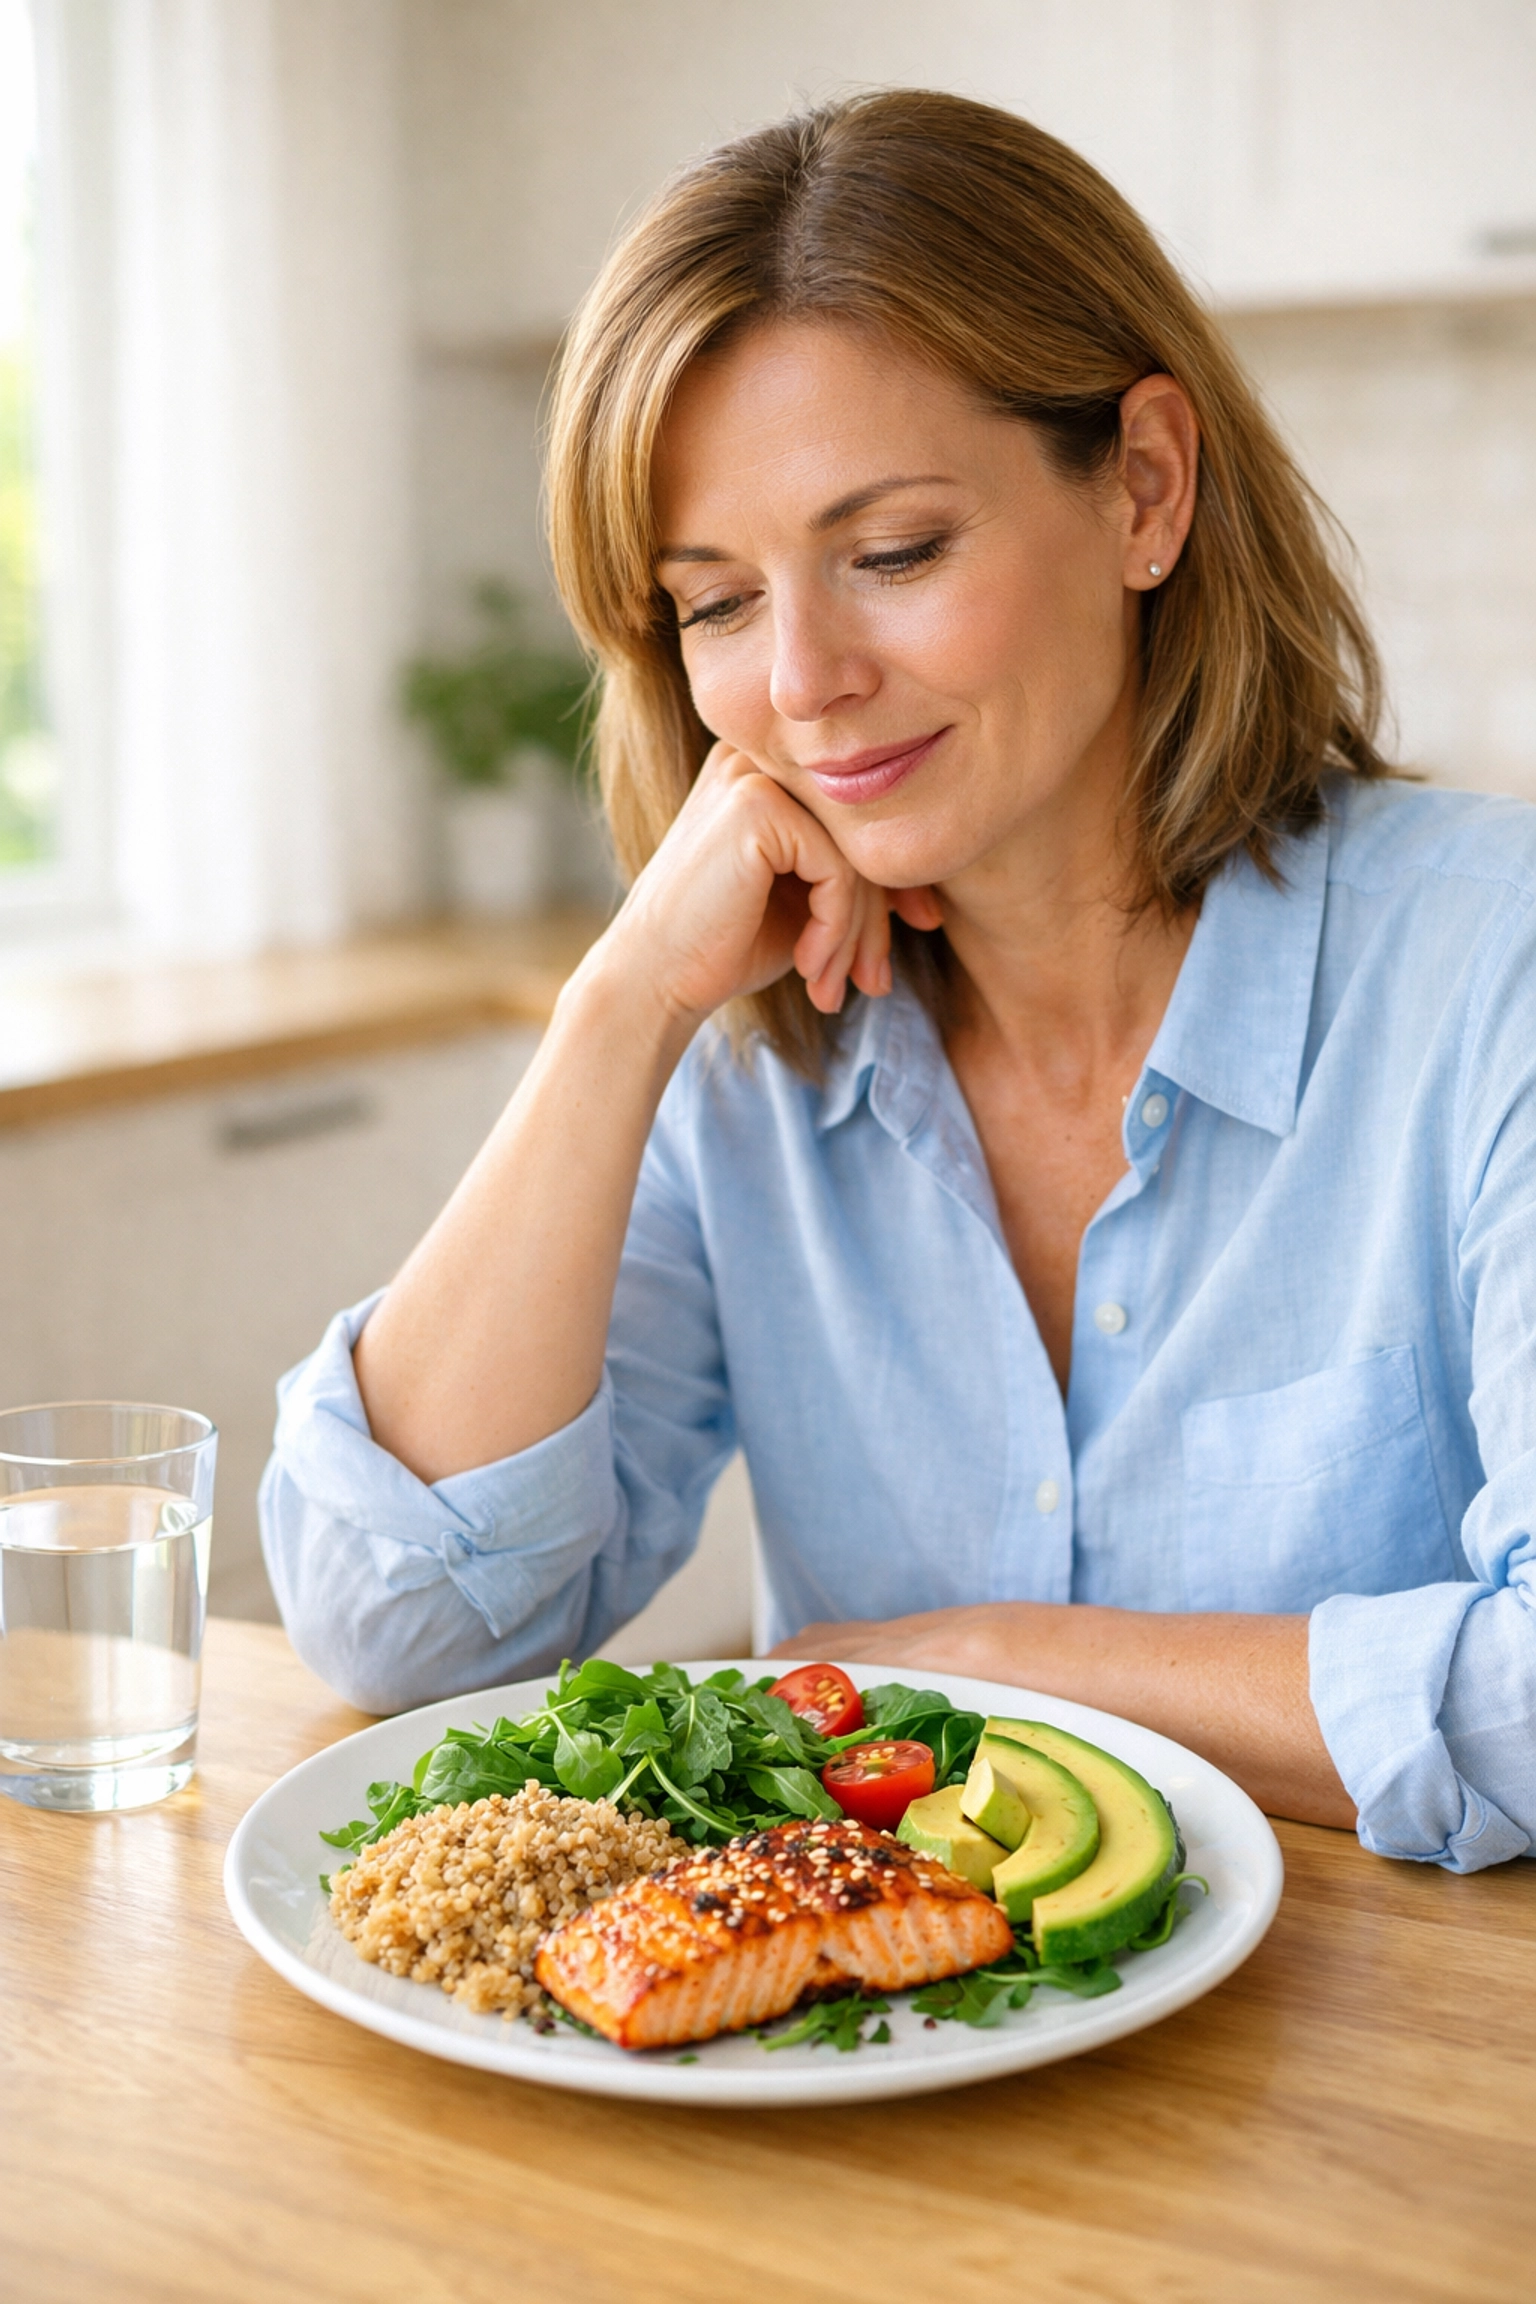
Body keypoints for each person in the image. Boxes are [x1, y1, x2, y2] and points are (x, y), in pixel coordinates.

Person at [261, 89, 1535, 1872]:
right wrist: (620, 1006)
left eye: (895, 554)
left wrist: (987, 1670)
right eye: (711, 602)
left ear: (1146, 490)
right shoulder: (747, 1059)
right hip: (878, 2105)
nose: (802, 680)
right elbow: (401, 1629)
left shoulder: (1494, 968)